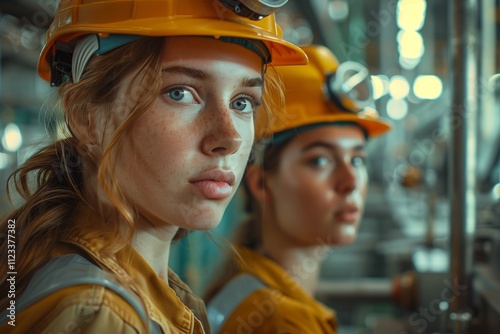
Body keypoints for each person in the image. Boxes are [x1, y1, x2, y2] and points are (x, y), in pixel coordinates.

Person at [0, 1, 308, 333]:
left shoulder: (130, 295)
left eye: (242, 102)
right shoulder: (98, 315)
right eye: (180, 93)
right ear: (86, 115)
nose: (229, 137)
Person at [205, 44, 393, 333]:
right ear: (261, 183)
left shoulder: (246, 288)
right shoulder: (282, 323)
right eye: (320, 160)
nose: (351, 181)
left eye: (357, 159)